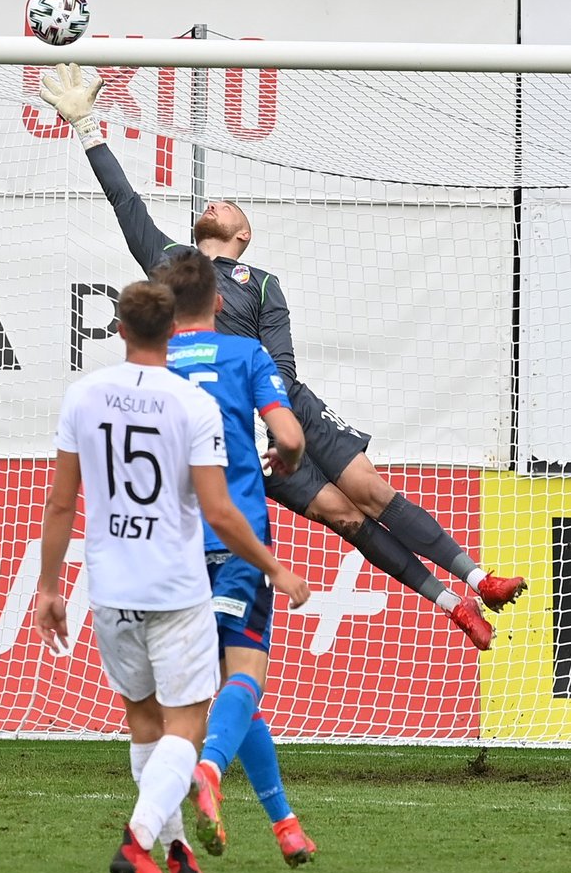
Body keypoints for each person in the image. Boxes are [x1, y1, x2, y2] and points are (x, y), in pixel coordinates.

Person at [40, 63, 527, 654]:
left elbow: (283, 363)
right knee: (346, 519)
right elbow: (125, 202)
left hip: (284, 408)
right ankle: (454, 605)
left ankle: (480, 577)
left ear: (243, 235)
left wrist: (278, 419)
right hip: (228, 433)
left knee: (370, 493)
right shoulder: (170, 261)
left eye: (230, 207)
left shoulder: (263, 283)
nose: (217, 201)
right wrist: (86, 125)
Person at [34, 279, 310, 873]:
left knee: (143, 722)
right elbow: (219, 512)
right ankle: (139, 841)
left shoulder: (84, 394)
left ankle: (178, 848)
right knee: (189, 726)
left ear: (122, 330)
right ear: (184, 322)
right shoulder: (192, 404)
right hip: (176, 583)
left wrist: (49, 587)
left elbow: (59, 504)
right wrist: (273, 566)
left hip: (109, 585)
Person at [157, 249, 316, 868]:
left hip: (170, 548)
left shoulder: (151, 366)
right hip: (240, 537)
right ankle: (208, 767)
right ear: (220, 303)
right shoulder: (245, 354)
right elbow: (292, 436)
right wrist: (291, 461)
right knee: (247, 674)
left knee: (226, 689)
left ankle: (287, 827)